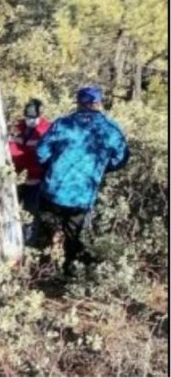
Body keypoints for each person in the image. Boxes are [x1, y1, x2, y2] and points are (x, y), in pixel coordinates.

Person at [35, 86, 129, 273]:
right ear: (98, 103)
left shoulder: (62, 124)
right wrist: (101, 169)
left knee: (44, 234)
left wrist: (52, 167)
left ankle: (40, 270)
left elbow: (40, 153)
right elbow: (121, 159)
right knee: (76, 239)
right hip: (82, 196)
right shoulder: (111, 129)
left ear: (78, 103)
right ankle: (70, 274)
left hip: (52, 191)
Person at [8, 98, 51, 213]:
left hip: (37, 179)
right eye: (28, 117)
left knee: (31, 211)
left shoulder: (47, 129)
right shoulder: (19, 126)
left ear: (41, 114)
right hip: (15, 175)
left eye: (34, 117)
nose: (30, 120)